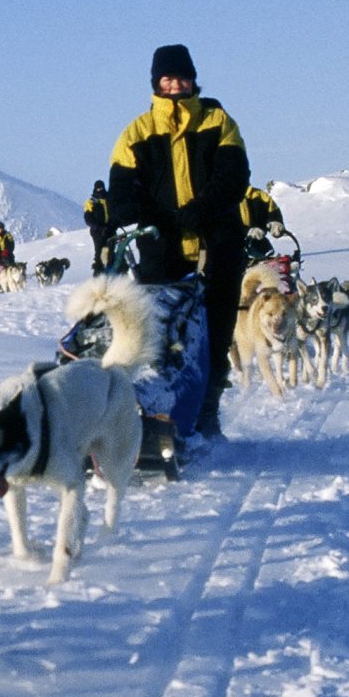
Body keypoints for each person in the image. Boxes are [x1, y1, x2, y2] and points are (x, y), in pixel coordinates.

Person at [105, 43, 251, 439]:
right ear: (156, 82)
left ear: (192, 79)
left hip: (217, 245)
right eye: (167, 78)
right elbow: (121, 190)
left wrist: (200, 210)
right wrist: (141, 214)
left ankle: (207, 409)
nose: (174, 85)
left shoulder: (218, 122)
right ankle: (158, 411)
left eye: (181, 78)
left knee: (216, 334)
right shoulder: (137, 132)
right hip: (161, 251)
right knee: (161, 334)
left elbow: (234, 176)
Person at [83, 180, 113, 273]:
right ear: (95, 188)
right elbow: (88, 219)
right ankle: (98, 275)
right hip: (97, 232)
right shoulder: (91, 202)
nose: (100, 189)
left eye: (101, 187)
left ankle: (112, 272)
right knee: (99, 253)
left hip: (110, 229)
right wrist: (98, 227)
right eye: (98, 188)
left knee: (111, 251)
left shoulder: (109, 199)